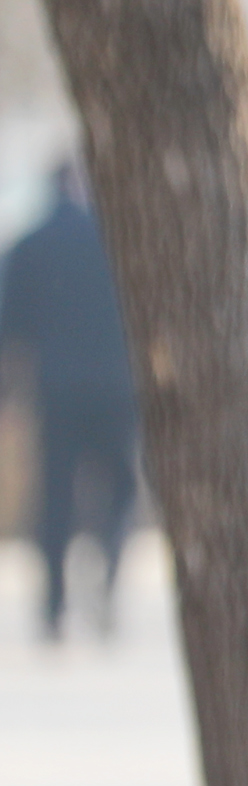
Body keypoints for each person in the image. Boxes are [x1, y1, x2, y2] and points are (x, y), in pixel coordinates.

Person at [0, 164, 138, 641]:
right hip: (118, 387)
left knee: (56, 495)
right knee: (120, 488)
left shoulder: (30, 244)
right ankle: (108, 577)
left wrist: (6, 396)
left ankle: (55, 605)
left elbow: (10, 329)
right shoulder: (121, 240)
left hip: (56, 388)